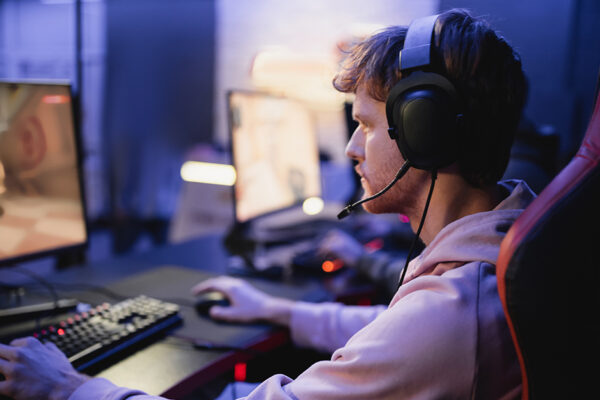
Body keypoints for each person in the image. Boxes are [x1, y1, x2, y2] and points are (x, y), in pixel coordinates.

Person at [0, 8, 530, 399]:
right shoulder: (494, 255)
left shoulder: (452, 315)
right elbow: (389, 335)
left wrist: (66, 388)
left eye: (364, 125)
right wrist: (278, 310)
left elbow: (416, 338)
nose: (350, 149)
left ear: (426, 133)